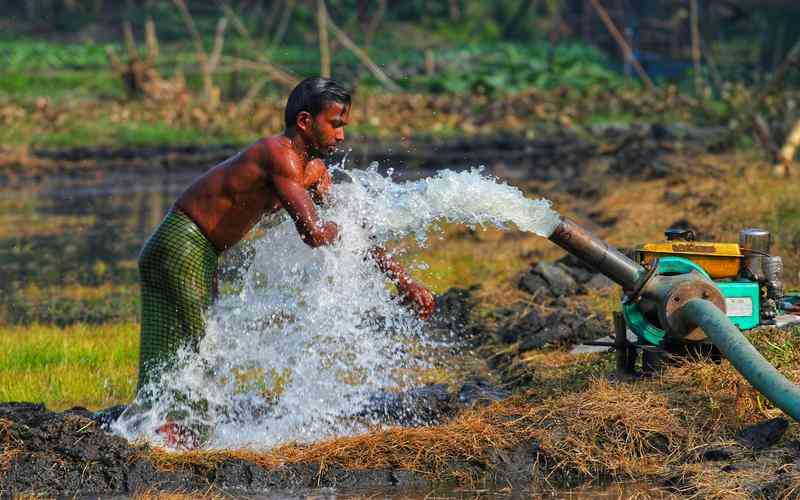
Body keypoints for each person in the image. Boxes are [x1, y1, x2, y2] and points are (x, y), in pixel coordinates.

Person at [135, 76, 436, 406]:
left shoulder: (311, 169)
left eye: (343, 125)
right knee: (198, 350)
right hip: (183, 242)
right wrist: (336, 226)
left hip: (198, 251)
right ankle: (178, 436)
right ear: (305, 121)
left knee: (175, 355)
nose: (341, 135)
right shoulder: (279, 155)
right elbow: (315, 234)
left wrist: (403, 281)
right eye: (335, 124)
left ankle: (159, 431)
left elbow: (355, 233)